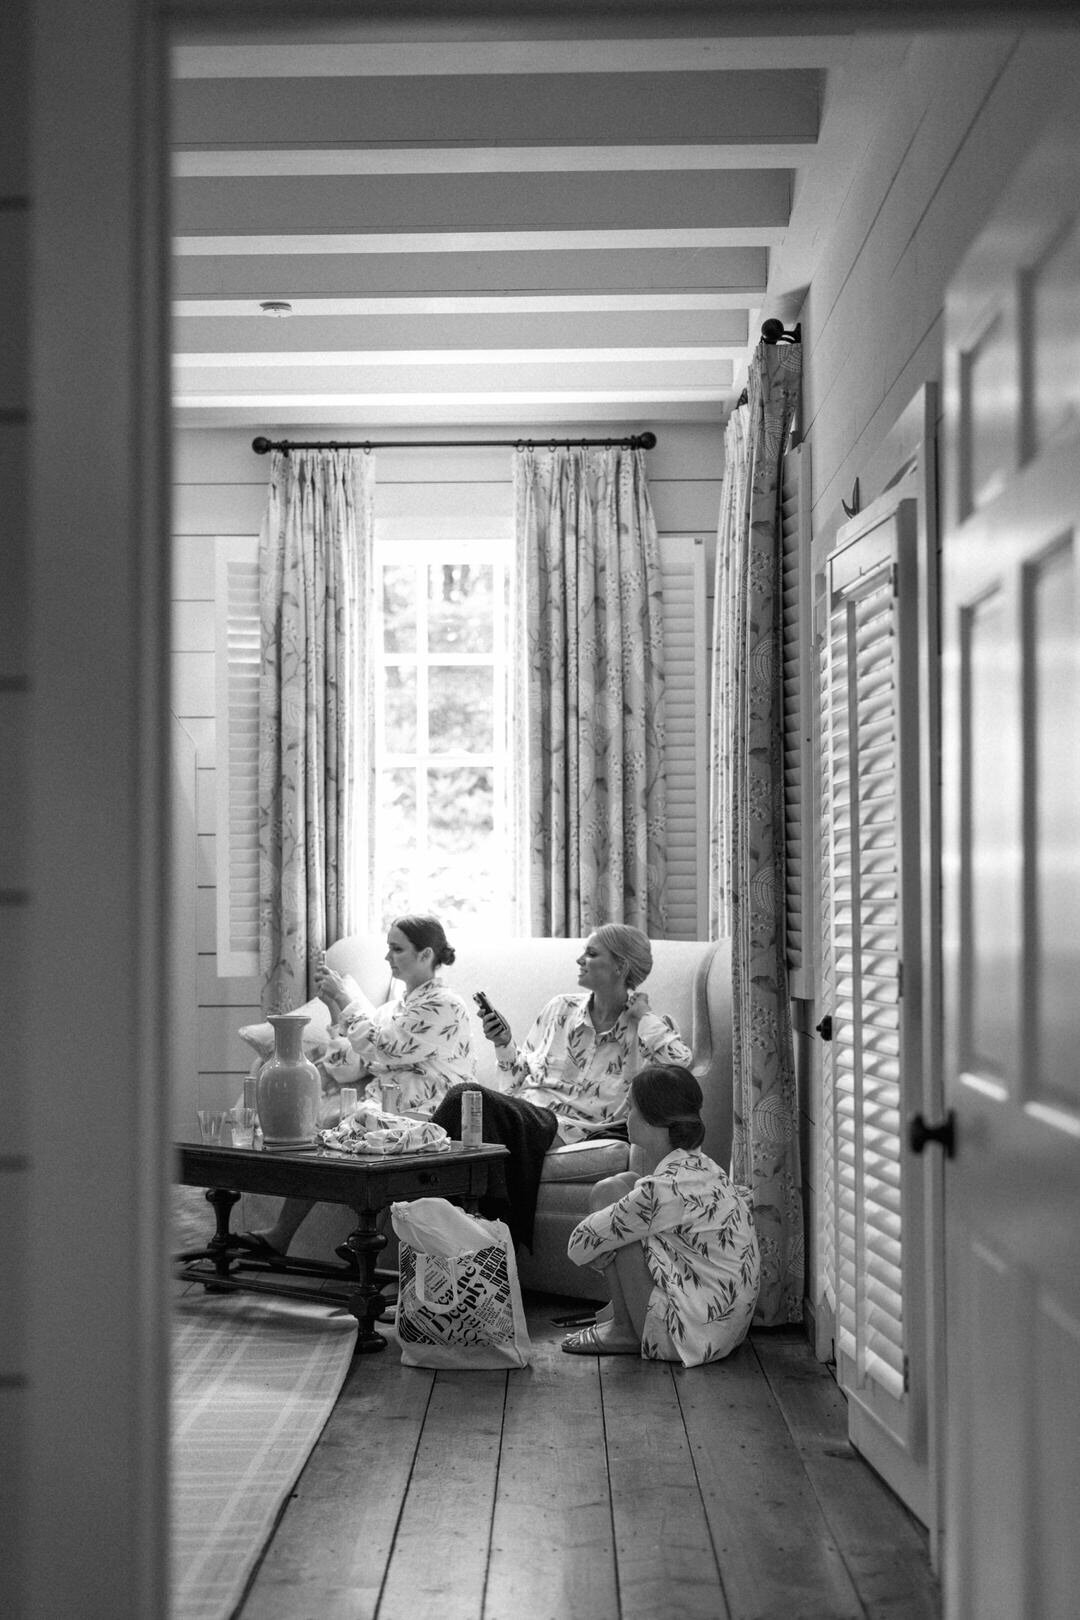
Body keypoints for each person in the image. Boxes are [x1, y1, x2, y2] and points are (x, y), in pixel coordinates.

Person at [432, 924, 692, 1248]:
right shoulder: (560, 1009)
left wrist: (644, 1017)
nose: (580, 959)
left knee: (464, 1096)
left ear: (620, 967)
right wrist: (503, 1043)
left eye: (592, 954)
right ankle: (459, 1228)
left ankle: (437, 1213)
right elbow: (514, 1085)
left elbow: (682, 1068)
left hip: (574, 1128)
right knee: (468, 1103)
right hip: (529, 1113)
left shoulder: (646, 1029)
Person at [242, 914, 475, 1258]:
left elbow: (385, 1046)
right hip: (387, 1111)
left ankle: (355, 1242)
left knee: (352, 1134)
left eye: (397, 949)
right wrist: (336, 1008)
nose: (387, 958)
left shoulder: (445, 1005)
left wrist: (348, 999)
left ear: (426, 955)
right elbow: (348, 1067)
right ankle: (285, 1236)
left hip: (431, 1115)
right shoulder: (395, 1008)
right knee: (326, 1139)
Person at [561, 1063, 760, 1366]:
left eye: (631, 1109)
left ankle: (625, 1330)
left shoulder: (664, 1191)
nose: (625, 1118)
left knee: (609, 1198)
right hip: (724, 1330)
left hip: (686, 1338)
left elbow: (577, 1246)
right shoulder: (705, 1168)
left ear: (654, 1121)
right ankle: (624, 1323)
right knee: (621, 1186)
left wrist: (603, 1247)